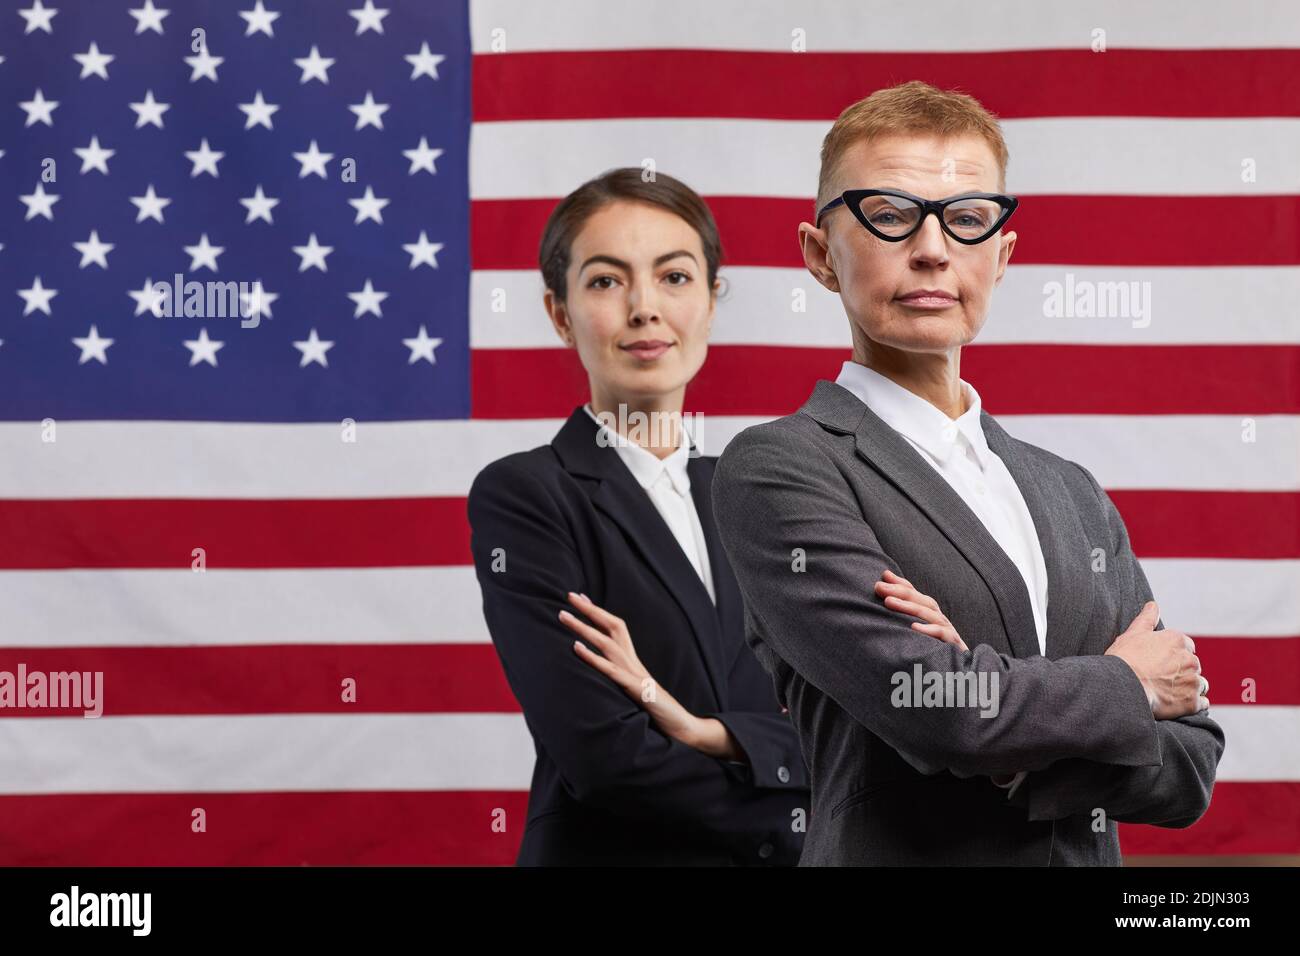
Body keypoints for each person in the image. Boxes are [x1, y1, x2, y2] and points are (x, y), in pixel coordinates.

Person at [710, 80, 1225, 866]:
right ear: (819, 254)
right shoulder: (780, 466)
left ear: (1002, 253)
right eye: (889, 215)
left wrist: (1007, 730)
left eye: (967, 219)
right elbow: (936, 710)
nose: (932, 249)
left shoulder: (1072, 490)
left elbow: (1191, 763)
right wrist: (1124, 688)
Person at [467, 168, 810, 865]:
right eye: (605, 280)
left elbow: (844, 726)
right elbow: (607, 759)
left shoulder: (759, 500)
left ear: (712, 301)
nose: (645, 308)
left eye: (675, 277)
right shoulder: (529, 496)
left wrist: (703, 731)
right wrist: (796, 796)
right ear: (559, 314)